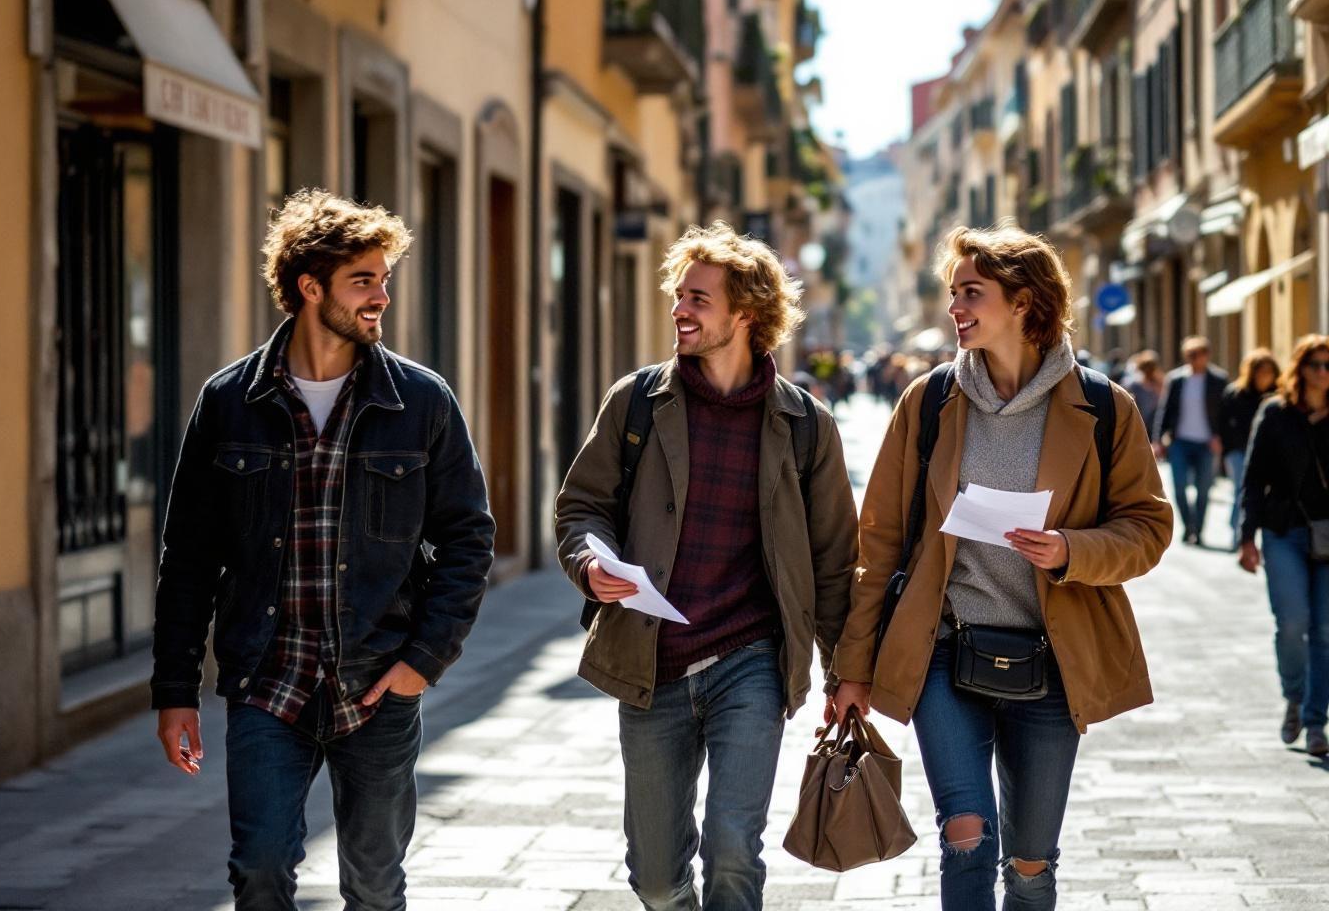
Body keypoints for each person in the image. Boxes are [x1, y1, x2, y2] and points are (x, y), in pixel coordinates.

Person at [151, 190, 495, 911]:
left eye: (383, 279)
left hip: (376, 683)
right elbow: (189, 556)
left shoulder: (421, 401)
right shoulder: (229, 401)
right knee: (260, 870)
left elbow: (468, 537)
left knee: (374, 886)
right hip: (266, 680)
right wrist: (175, 691)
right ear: (310, 288)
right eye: (362, 280)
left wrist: (423, 659)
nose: (381, 297)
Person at [831, 224, 1172, 911]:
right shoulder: (930, 401)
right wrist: (853, 668)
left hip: (1053, 661)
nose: (955, 307)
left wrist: (1071, 550)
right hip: (942, 649)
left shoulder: (1105, 407)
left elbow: (1148, 527)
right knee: (966, 836)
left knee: (1030, 863)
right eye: (953, 292)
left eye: (972, 293)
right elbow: (880, 542)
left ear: (1023, 301)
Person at [554, 221, 859, 911]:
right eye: (679, 295)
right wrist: (589, 561)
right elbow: (581, 507)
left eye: (698, 298)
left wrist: (844, 671)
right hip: (651, 660)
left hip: (751, 660)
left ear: (746, 313)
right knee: (657, 879)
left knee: (732, 850)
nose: (679, 310)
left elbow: (836, 559)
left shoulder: (806, 424)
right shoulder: (636, 401)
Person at [1237, 335, 1329, 757]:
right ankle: (1294, 695)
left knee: (1324, 631)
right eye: (1315, 364)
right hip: (1283, 531)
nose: (1323, 373)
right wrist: (1247, 537)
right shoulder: (1275, 413)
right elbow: (1253, 476)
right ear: (1300, 368)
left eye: (1328, 365)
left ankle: (1314, 721)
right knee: (1292, 623)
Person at [1153, 335, 1229, 545]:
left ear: (1207, 355)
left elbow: (1225, 413)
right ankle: (1189, 527)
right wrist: (1157, 440)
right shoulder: (1176, 380)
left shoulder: (1218, 380)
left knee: (1203, 490)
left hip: (1207, 443)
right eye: (1190, 355)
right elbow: (1164, 410)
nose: (1195, 359)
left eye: (1199, 354)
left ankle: (1199, 530)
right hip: (1180, 442)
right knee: (1178, 487)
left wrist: (1220, 438)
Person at [1221, 348, 1281, 547]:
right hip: (1239, 451)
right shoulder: (1236, 393)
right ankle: (1239, 534)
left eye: (1268, 372)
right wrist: (1228, 449)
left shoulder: (1278, 397)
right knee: (1242, 490)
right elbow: (1223, 424)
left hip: (1268, 454)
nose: (1265, 376)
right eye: (1260, 372)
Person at [1122, 350, 1165, 437]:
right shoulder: (1133, 384)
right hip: (1138, 424)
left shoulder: (1159, 382)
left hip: (1153, 425)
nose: (1149, 371)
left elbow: (1162, 402)